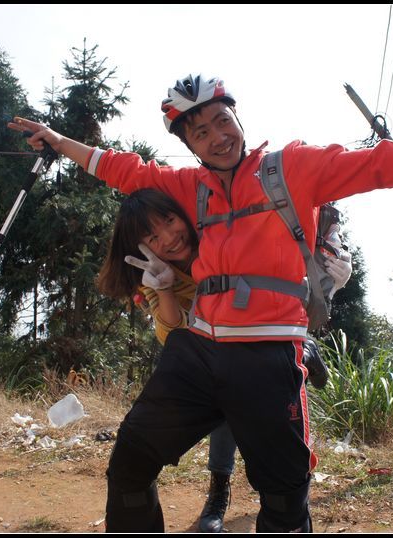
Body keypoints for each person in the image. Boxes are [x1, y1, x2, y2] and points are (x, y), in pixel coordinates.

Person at [9, 74, 393, 532]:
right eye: (200, 133)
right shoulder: (190, 188)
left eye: (221, 121)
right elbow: (123, 169)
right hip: (198, 352)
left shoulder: (292, 169)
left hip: (269, 353)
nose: (216, 137)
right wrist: (57, 141)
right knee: (128, 467)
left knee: (283, 500)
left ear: (237, 117)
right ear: (189, 143)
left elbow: (381, 164)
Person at [96, 188, 351, 532]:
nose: (170, 238)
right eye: (153, 236)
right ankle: (218, 489)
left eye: (170, 221)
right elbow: (173, 337)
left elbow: (293, 287)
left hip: (268, 344)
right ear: (141, 247)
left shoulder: (220, 237)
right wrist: (166, 288)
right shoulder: (154, 271)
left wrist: (331, 285)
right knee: (131, 464)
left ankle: (304, 352)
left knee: (283, 487)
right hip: (204, 352)